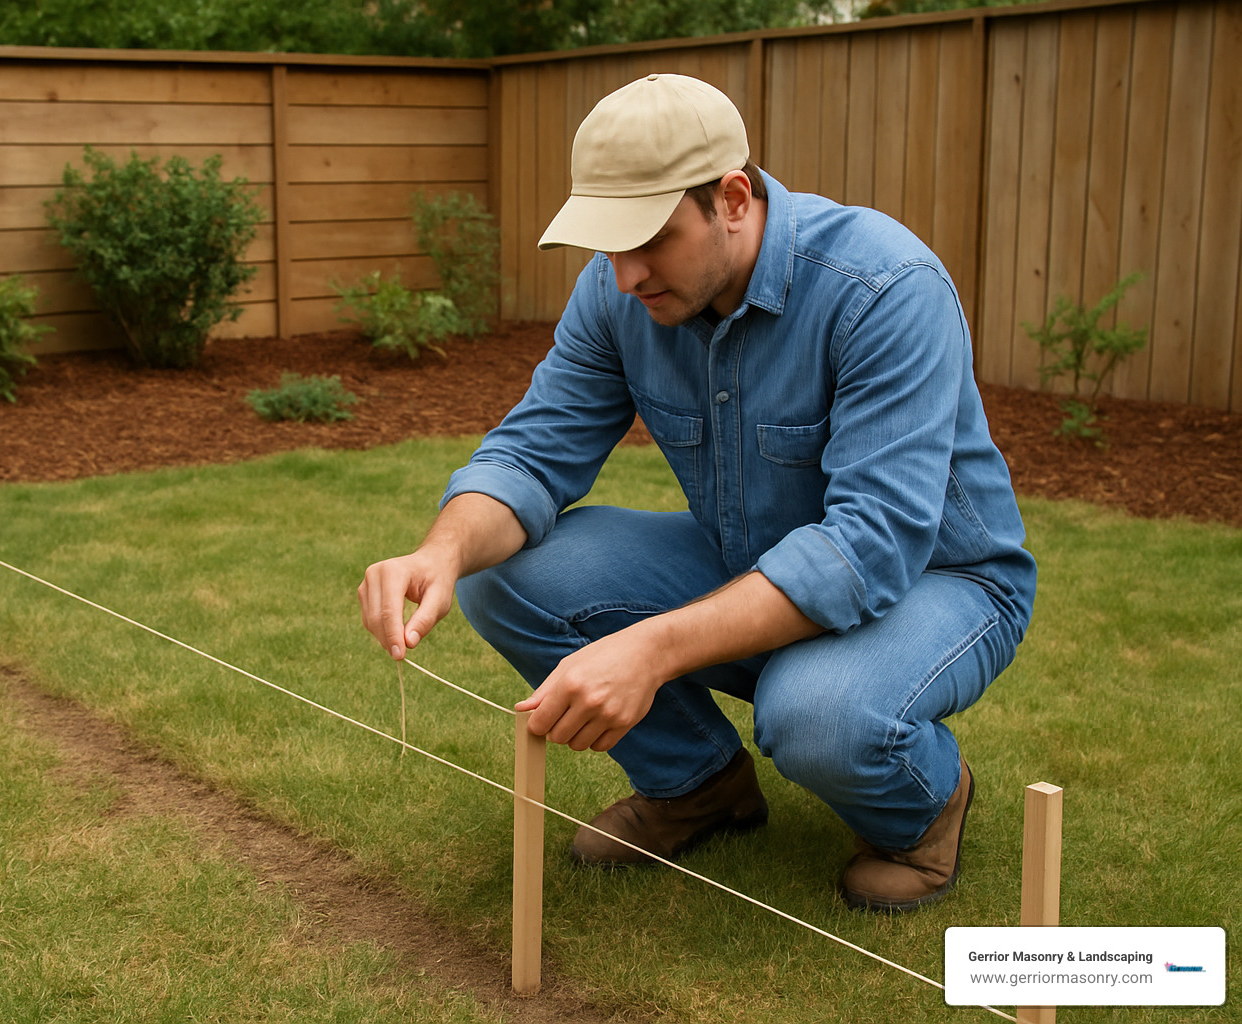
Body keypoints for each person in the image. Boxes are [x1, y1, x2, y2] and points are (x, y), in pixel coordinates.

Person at [357, 73, 1035, 912]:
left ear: (734, 198)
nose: (627, 275)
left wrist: (653, 648)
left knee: (816, 713)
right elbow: (533, 452)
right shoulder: (621, 295)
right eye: (606, 245)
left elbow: (869, 547)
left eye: (650, 238)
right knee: (506, 576)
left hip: (942, 582)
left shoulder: (884, 288)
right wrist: (442, 550)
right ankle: (699, 786)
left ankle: (925, 809)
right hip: (745, 559)